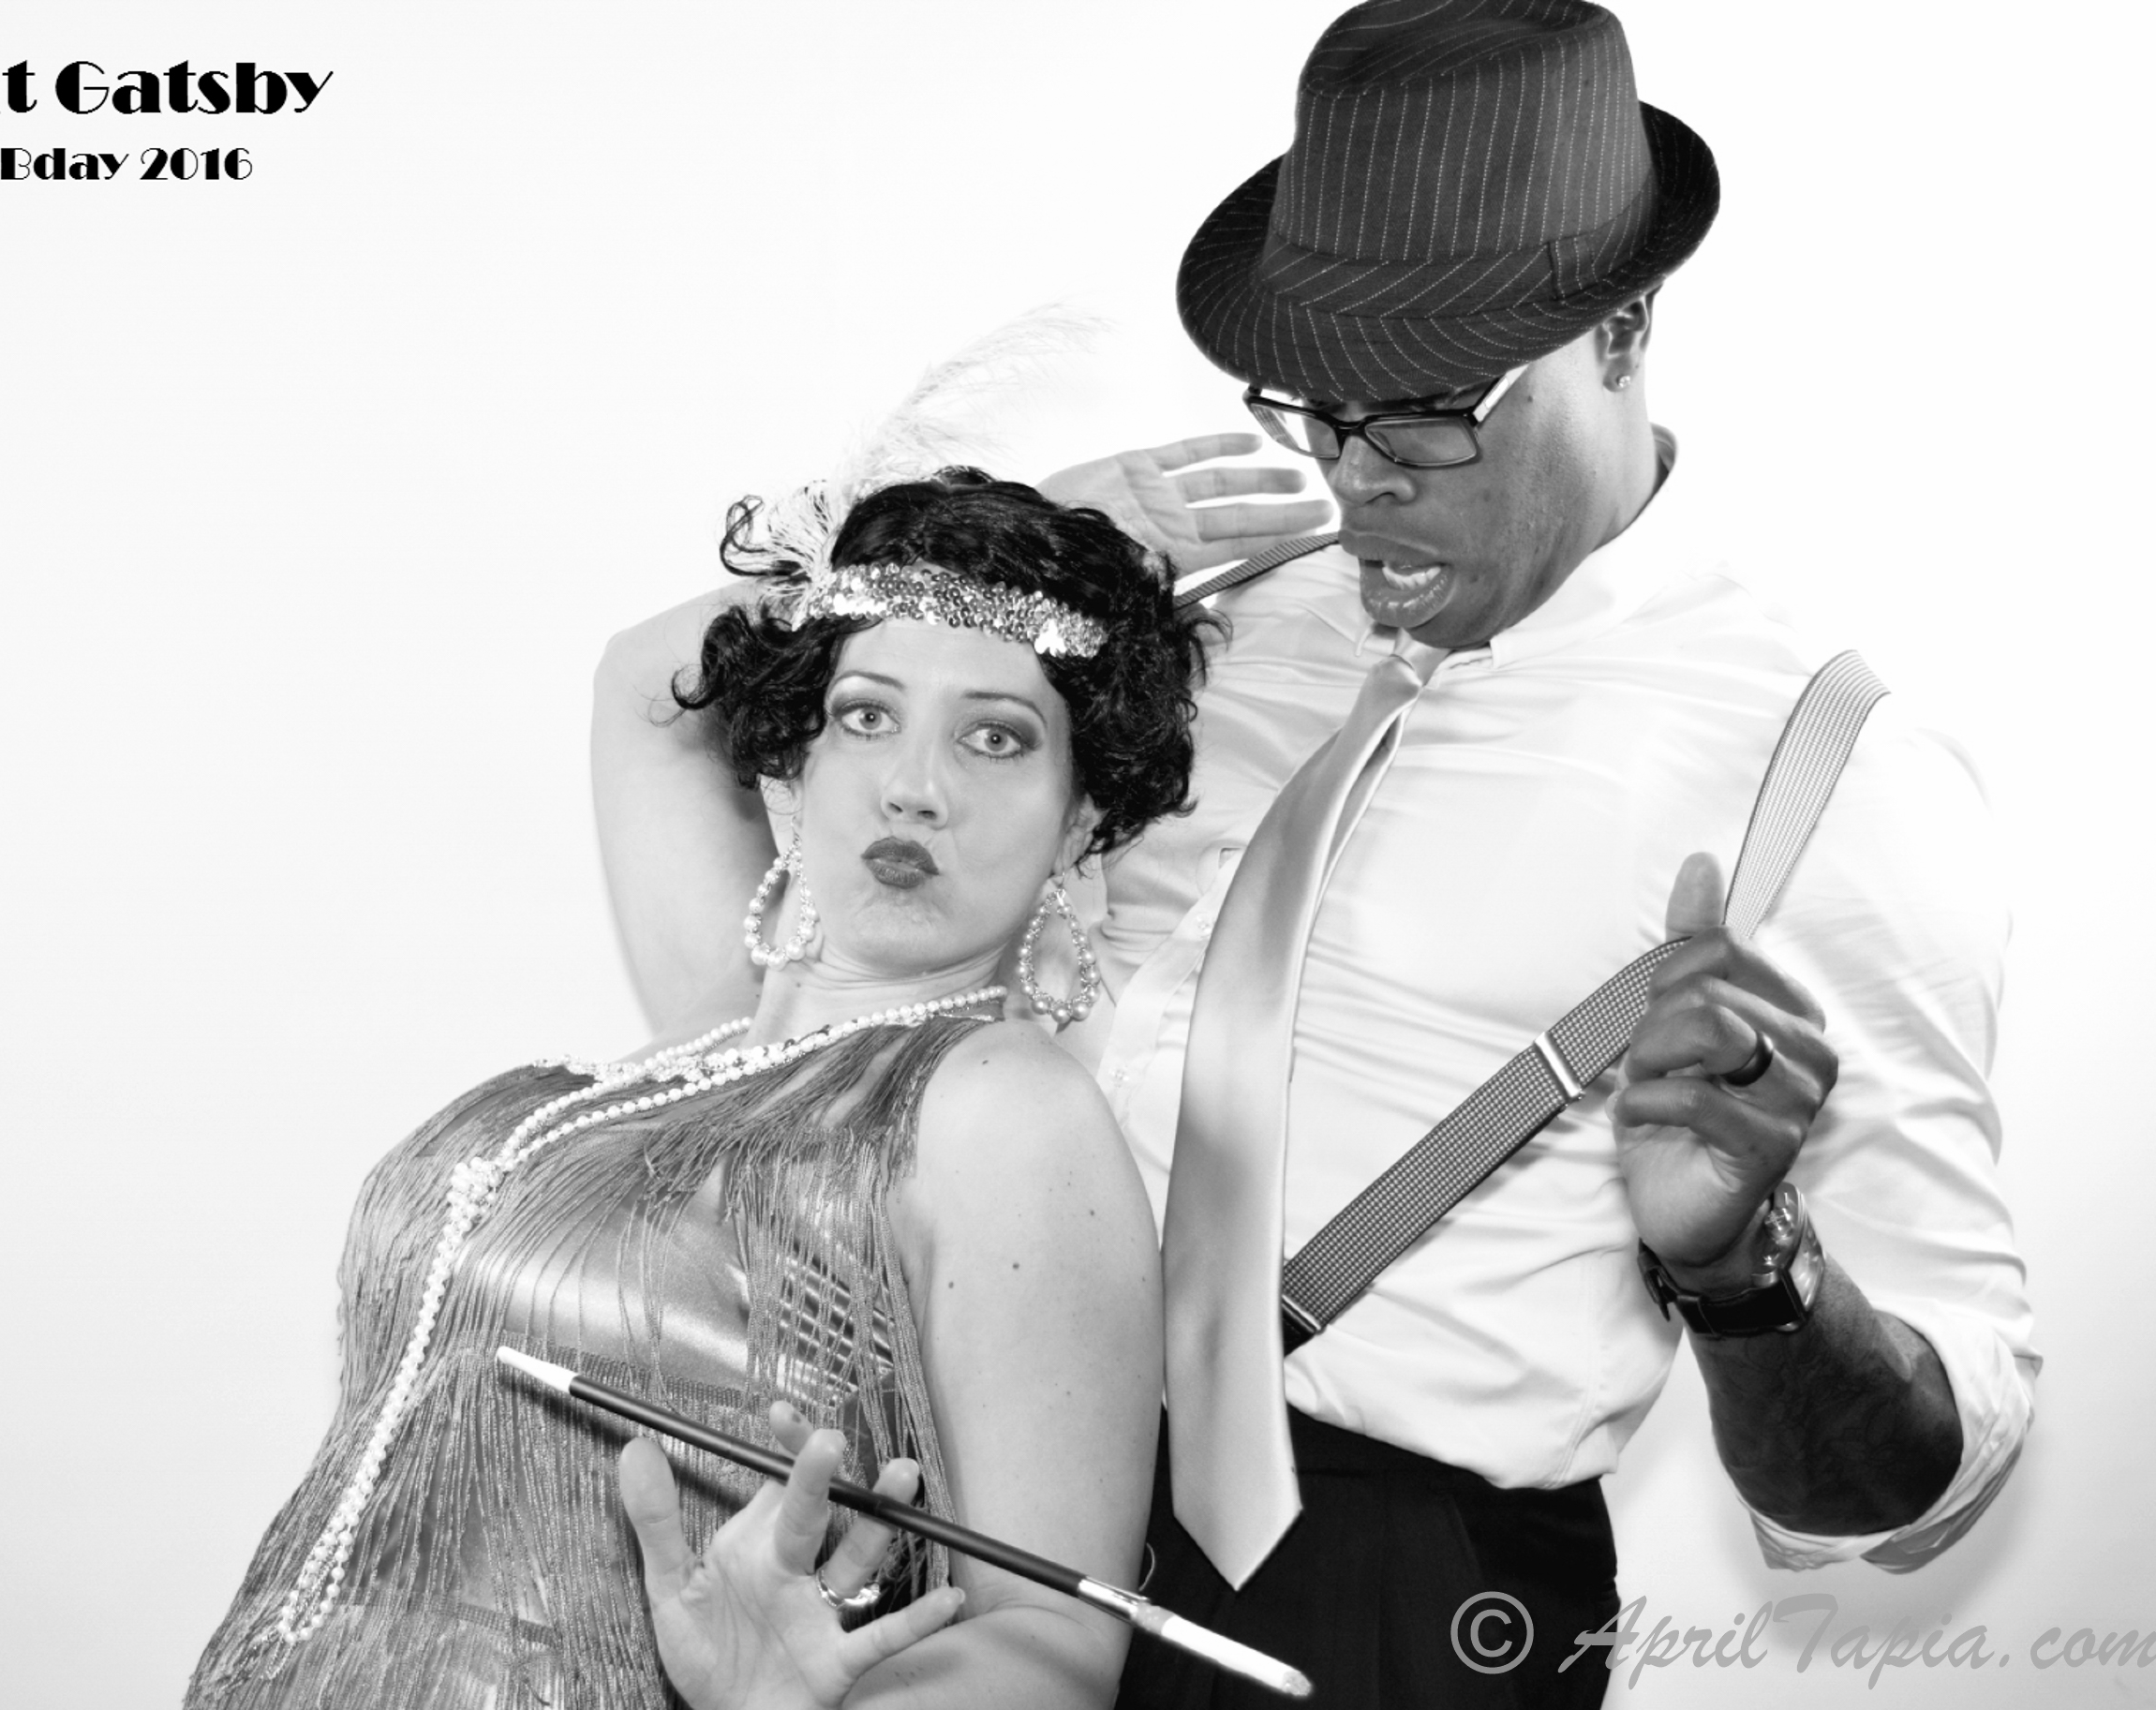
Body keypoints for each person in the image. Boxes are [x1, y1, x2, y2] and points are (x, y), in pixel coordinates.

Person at [594, 3, 2037, 1705]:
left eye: (1423, 415)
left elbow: (1923, 1484)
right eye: (1317, 412)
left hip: (1373, 1599)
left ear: (1623, 325)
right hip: (953, 1499)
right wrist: (997, 550)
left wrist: (1746, 1276)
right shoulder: (1221, 611)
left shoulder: (1828, 774)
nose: (1359, 482)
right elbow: (701, 725)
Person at [184, 467, 1207, 1710]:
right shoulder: (703, 1043)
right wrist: (948, 546)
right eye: (866, 715)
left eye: (996, 736)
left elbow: (1050, 1648)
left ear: (1082, 815)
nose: (914, 785)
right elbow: (641, 675)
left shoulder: (1000, 1107)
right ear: (784, 766)